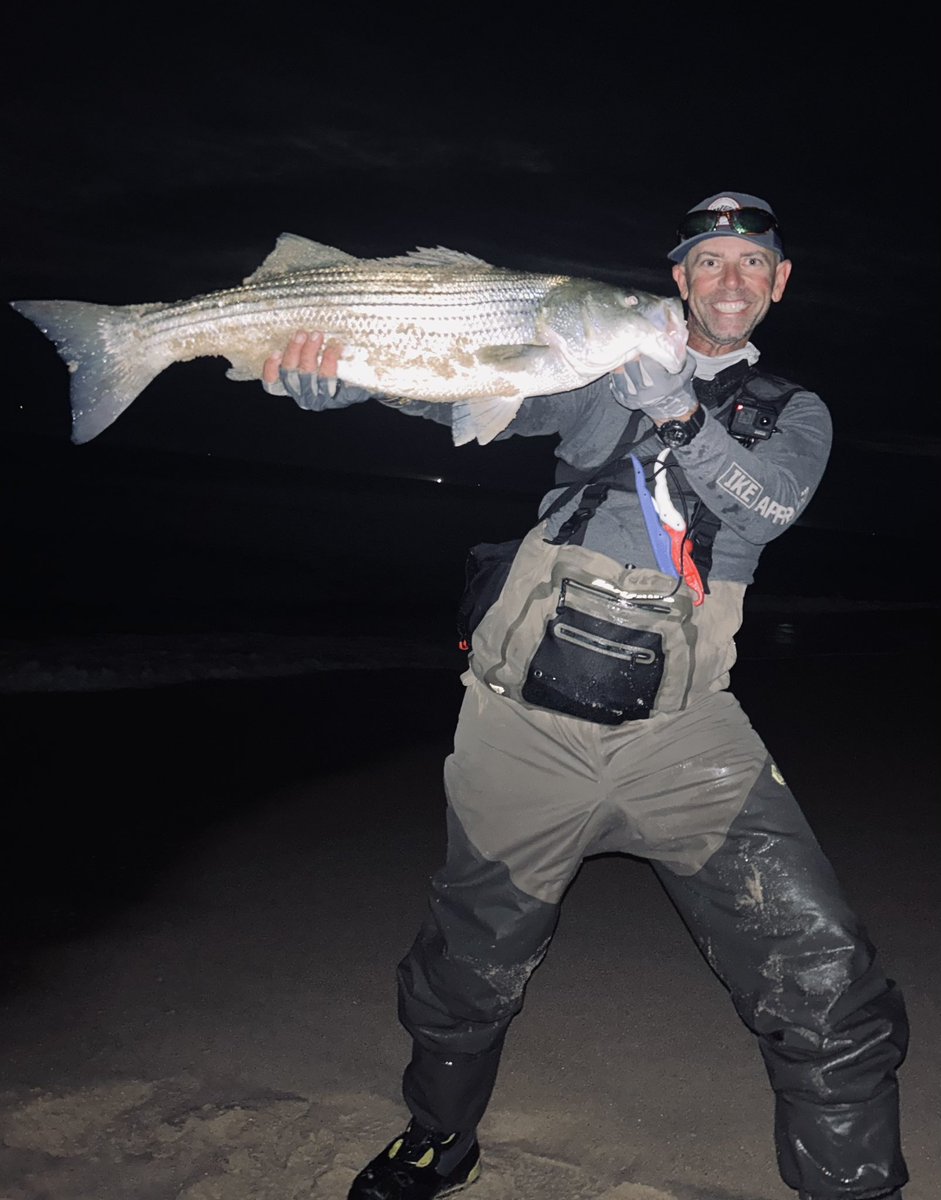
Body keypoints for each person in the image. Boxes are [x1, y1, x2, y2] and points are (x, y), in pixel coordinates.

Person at [262, 192, 909, 1200]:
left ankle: (853, 1186)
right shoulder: (591, 370)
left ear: (776, 284)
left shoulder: (794, 411)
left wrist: (677, 410)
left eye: (750, 263)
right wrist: (342, 378)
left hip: (685, 741)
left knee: (821, 971)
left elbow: (768, 507)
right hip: (521, 729)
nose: (728, 280)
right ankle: (438, 1136)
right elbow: (459, 391)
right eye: (707, 262)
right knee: (466, 968)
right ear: (677, 280)